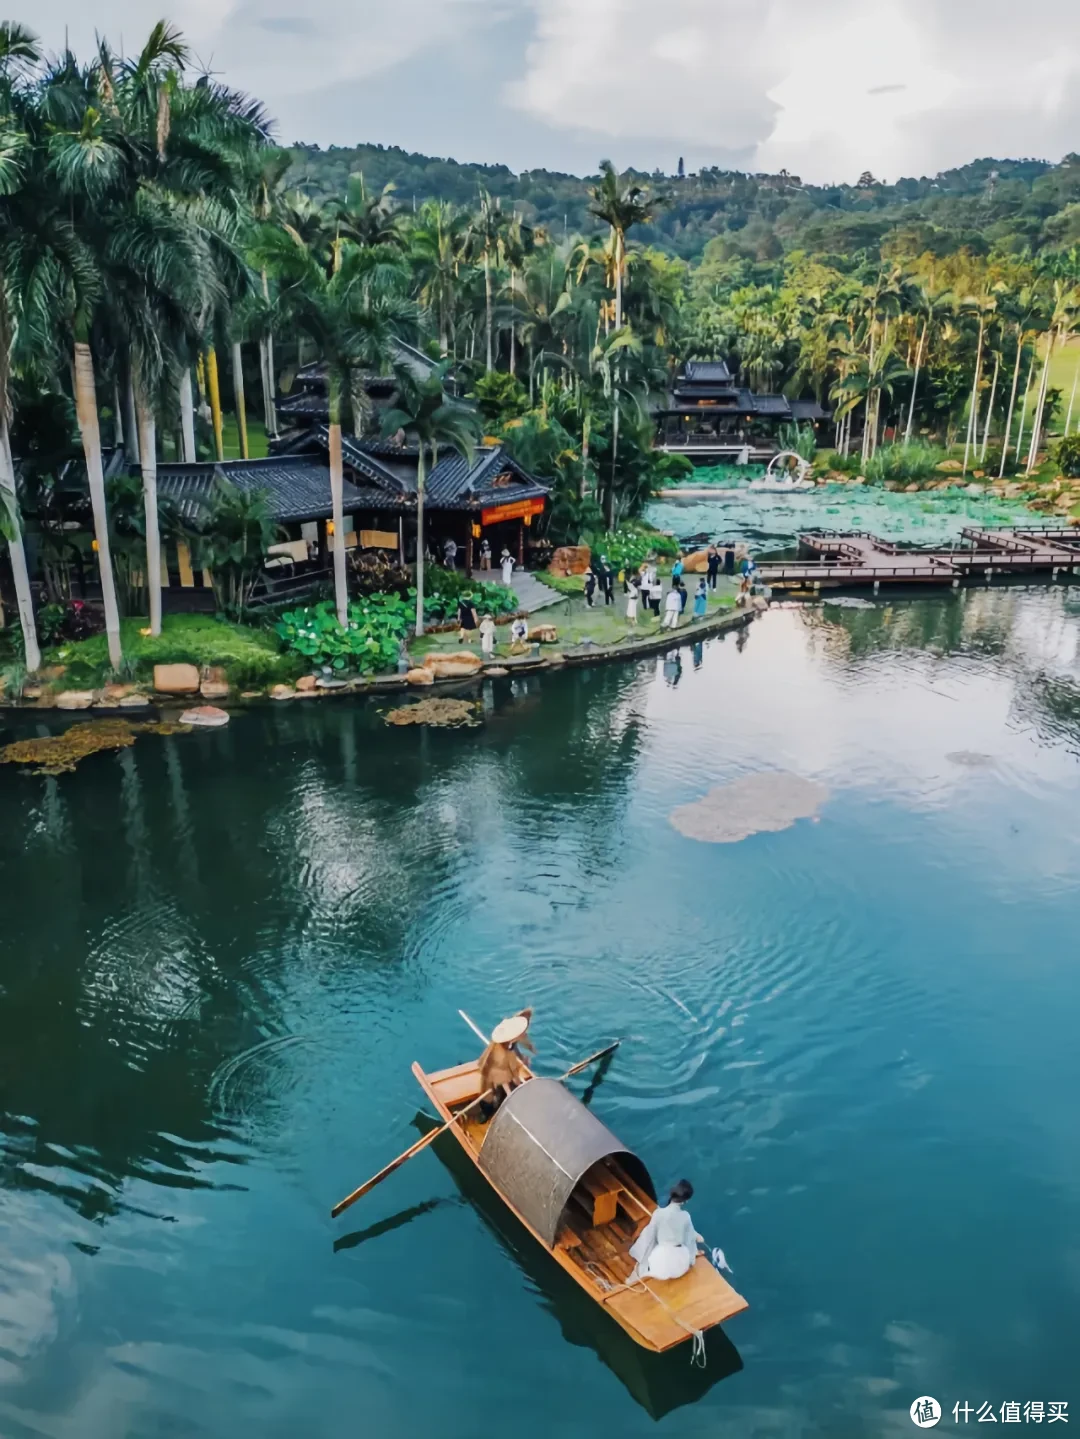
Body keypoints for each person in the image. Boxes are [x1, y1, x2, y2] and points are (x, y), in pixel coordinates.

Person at [628, 1179, 703, 1282]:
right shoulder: (685, 1216)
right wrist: (692, 1259)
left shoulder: (658, 1214)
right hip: (680, 1267)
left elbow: (650, 1239)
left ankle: (638, 1273)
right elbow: (689, 1241)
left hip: (659, 1262)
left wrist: (642, 1258)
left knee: (649, 1233)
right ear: (685, 1201)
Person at [477, 1013, 533, 1118]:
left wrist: (522, 1060)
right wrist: (510, 1095)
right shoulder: (500, 1054)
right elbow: (502, 1078)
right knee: (490, 1099)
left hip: (504, 1073)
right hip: (494, 1076)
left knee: (508, 1090)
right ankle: (487, 1114)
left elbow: (514, 1051)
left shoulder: (510, 1043)